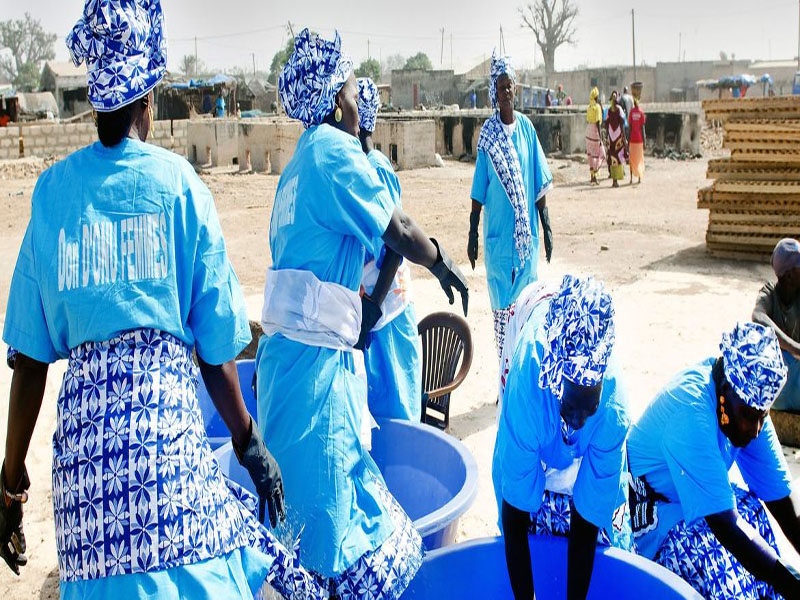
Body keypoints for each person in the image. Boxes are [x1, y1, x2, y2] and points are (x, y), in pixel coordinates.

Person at [0, 3, 327, 599]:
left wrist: (11, 478)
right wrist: (248, 442)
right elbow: (215, 350)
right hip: (163, 463)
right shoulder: (178, 186)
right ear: (149, 98)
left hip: (83, 483)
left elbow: (29, 358)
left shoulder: (52, 194)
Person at [256, 29, 468, 598]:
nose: (358, 96)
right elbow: (397, 230)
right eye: (351, 84)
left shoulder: (295, 169)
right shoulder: (333, 151)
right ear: (334, 97)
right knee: (339, 535)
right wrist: (443, 263)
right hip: (318, 378)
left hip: (287, 369)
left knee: (301, 526)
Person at [628, 322, 800, 599]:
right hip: (654, 514)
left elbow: (783, 505)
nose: (755, 429)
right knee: (716, 565)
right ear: (724, 391)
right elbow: (726, 526)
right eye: (749, 416)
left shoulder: (748, 402)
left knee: (753, 513)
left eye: (762, 417)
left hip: (692, 500)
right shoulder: (690, 411)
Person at [493, 275, 632, 600]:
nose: (579, 422)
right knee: (525, 488)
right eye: (571, 408)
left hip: (571, 354)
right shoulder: (528, 386)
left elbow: (587, 519)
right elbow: (514, 514)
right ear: (554, 380)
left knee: (601, 525)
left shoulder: (613, 408)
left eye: (589, 408)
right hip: (532, 309)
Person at [467, 53, 553, 359]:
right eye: (501, 87)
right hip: (498, 243)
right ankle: (505, 383)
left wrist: (546, 224)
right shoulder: (488, 137)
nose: (506, 92)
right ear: (494, 92)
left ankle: (522, 378)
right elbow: (479, 191)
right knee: (503, 314)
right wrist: (472, 233)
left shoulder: (527, 130)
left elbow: (538, 180)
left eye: (510, 86)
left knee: (528, 310)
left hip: (526, 241)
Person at [356, 76, 422, 421]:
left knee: (398, 410)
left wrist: (374, 308)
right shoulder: (353, 167)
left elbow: (396, 247)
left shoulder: (377, 167)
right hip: (370, 307)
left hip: (388, 307)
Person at [753, 238, 800, 413]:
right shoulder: (769, 293)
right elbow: (758, 317)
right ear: (789, 275)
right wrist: (794, 348)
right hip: (780, 379)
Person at [604, 91, 628, 188]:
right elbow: (622, 125)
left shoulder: (609, 110)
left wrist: (606, 137)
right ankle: (616, 180)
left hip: (611, 138)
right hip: (618, 137)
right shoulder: (620, 110)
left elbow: (606, 124)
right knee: (618, 158)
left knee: (612, 157)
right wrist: (624, 139)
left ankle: (613, 179)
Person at [585, 87, 605, 186]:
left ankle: (592, 176)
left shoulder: (589, 107)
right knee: (599, 154)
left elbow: (587, 120)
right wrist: (600, 137)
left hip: (588, 131)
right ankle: (595, 176)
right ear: (596, 97)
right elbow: (598, 123)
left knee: (591, 155)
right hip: (594, 132)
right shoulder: (597, 107)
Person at [628, 98, 646, 184]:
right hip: (639, 140)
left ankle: (631, 179)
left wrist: (628, 141)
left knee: (632, 159)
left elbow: (630, 127)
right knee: (639, 159)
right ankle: (639, 178)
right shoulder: (641, 113)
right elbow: (642, 128)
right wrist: (645, 141)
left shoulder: (631, 112)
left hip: (632, 139)